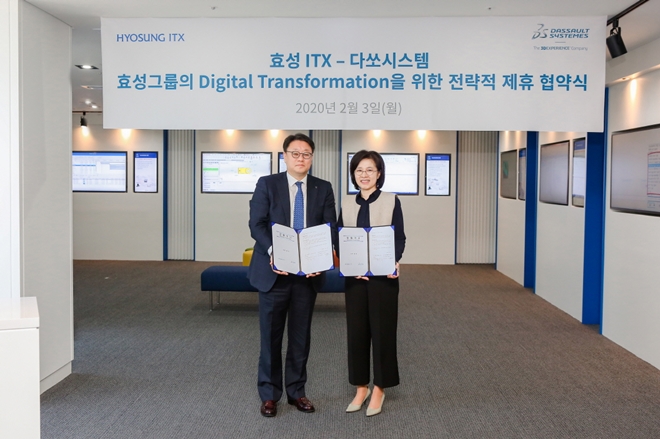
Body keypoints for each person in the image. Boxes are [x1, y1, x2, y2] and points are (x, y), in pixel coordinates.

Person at [248, 133, 337, 418]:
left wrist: (322, 258)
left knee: (300, 337)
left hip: (307, 276)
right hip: (273, 272)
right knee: (270, 338)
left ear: (312, 157)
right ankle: (269, 395)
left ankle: (297, 391)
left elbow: (329, 227)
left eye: (306, 154)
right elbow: (256, 224)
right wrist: (274, 250)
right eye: (295, 153)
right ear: (284, 156)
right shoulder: (267, 184)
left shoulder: (323, 187)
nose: (301, 158)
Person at [338, 150, 406, 417]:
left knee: (382, 332)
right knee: (356, 333)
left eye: (370, 170)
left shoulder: (391, 201)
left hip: (383, 279)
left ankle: (380, 387)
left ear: (379, 173)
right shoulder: (346, 202)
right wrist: (349, 264)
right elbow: (339, 237)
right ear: (353, 174)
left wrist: (394, 261)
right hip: (355, 279)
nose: (364, 175)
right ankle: (360, 387)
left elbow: (399, 237)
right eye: (359, 170)